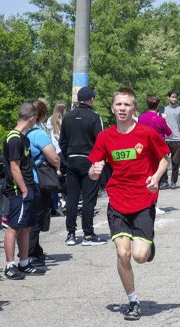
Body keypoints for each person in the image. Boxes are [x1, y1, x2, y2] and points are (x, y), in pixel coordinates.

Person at [87, 87, 170, 320]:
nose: (122, 108)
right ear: (113, 108)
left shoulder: (146, 133)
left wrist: (156, 177)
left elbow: (165, 157)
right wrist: (94, 171)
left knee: (140, 256)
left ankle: (148, 247)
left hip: (143, 200)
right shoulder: (105, 137)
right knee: (123, 254)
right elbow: (93, 170)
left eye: (127, 105)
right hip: (118, 202)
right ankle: (133, 302)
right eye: (118, 104)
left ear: (134, 109)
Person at [1, 103, 47, 280]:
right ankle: (10, 265)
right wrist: (24, 189)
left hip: (29, 187)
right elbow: (14, 167)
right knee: (14, 226)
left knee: (26, 226)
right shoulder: (14, 138)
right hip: (19, 190)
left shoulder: (24, 138)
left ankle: (24, 262)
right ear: (32, 118)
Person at [60, 87, 105, 246]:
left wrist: (66, 161)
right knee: (89, 198)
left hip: (72, 160)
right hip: (89, 161)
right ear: (91, 99)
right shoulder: (95, 117)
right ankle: (88, 234)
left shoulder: (67, 117)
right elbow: (101, 142)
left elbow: (62, 142)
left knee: (72, 198)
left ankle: (71, 234)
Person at [27, 100, 61, 266]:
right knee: (37, 217)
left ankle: (35, 249)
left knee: (33, 215)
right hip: (39, 179)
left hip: (28, 178)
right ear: (42, 114)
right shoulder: (39, 132)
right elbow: (53, 156)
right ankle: (30, 252)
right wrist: (58, 165)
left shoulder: (24, 131)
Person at [138, 94, 172, 191]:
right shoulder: (160, 120)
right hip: (158, 150)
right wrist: (165, 120)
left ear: (147, 104)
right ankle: (154, 202)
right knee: (156, 177)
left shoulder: (141, 118)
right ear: (158, 105)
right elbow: (170, 134)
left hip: (145, 149)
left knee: (147, 175)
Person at [163, 90, 180, 189]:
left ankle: (173, 181)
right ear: (168, 98)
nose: (174, 99)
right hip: (165, 139)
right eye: (172, 97)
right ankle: (164, 182)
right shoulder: (164, 109)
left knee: (175, 162)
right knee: (163, 161)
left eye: (175, 97)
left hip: (176, 139)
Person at [46, 101, 65, 215]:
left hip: (52, 151)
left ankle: (55, 202)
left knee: (55, 177)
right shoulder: (63, 121)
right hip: (61, 151)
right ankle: (61, 200)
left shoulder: (49, 120)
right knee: (62, 178)